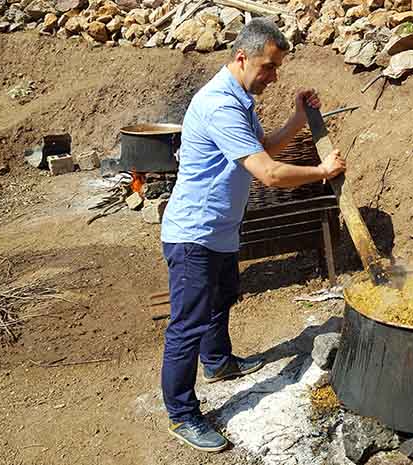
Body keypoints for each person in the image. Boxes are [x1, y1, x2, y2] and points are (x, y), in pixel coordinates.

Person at [159, 18, 347, 453]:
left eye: (277, 68)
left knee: (221, 299)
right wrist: (321, 172)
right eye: (268, 67)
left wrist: (299, 117)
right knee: (186, 326)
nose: (273, 76)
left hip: (219, 231)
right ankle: (182, 415)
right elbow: (269, 172)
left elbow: (268, 147)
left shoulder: (239, 99)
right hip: (194, 234)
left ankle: (219, 363)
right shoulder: (220, 105)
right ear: (241, 57)